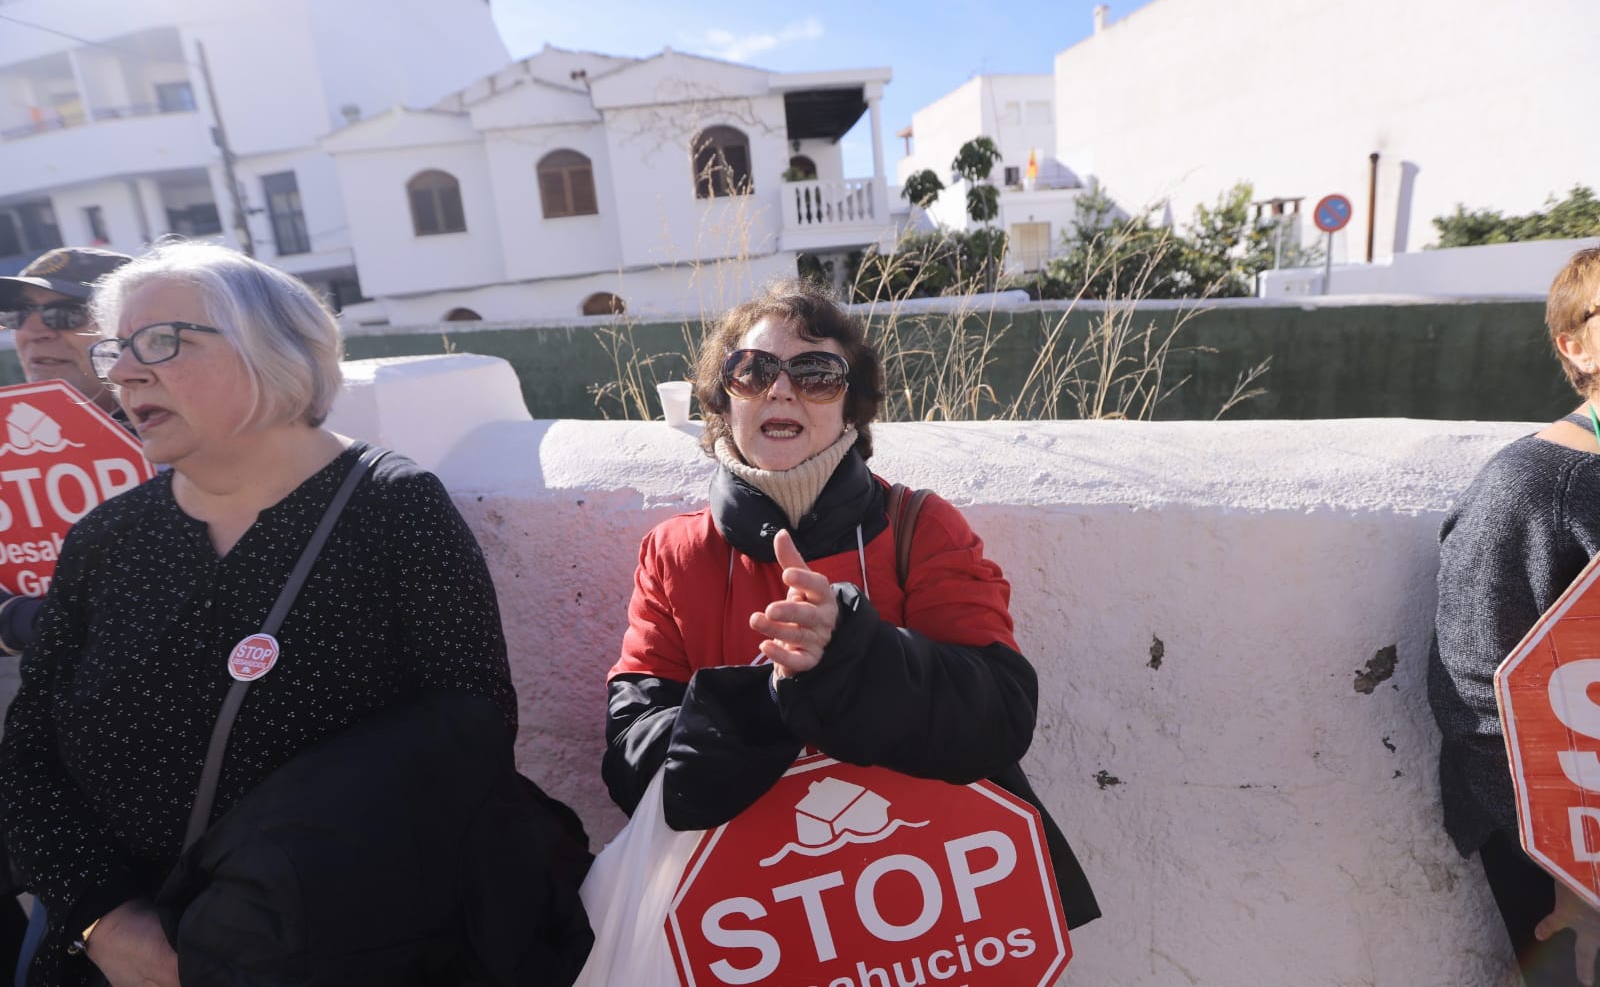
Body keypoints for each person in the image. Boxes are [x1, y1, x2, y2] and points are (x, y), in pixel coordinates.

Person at [0, 242, 590, 987]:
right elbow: (28, 757)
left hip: (326, 956)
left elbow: (467, 736)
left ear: (268, 350)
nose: (122, 370)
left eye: (160, 341)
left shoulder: (392, 510)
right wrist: (106, 924)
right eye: (119, 347)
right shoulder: (105, 541)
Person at [601, 282, 1100, 932]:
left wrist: (852, 651)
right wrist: (775, 692)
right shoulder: (673, 554)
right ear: (724, 401)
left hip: (936, 910)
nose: (781, 390)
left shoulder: (920, 526)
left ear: (851, 407)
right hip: (762, 920)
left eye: (816, 374)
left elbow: (999, 713)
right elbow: (637, 764)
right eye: (751, 371)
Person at [1430, 245, 1600, 987]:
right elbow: (1479, 693)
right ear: (1576, 344)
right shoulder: (1531, 484)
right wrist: (1575, 881)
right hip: (1568, 865)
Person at [0, 247, 132, 658]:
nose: (33, 331)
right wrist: (22, 619)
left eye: (67, 314)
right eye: (19, 315)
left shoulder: (205, 437)